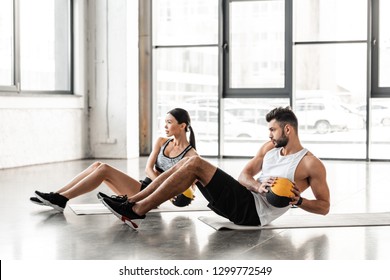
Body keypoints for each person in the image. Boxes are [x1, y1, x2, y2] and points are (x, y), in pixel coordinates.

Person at [101, 106, 330, 229]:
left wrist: (299, 201)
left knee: (196, 163)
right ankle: (131, 202)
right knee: (190, 162)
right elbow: (244, 175)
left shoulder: (310, 163)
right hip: (244, 199)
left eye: (273, 130)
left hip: (253, 214)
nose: (269, 134)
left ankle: (136, 209)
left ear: (287, 130)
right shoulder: (268, 148)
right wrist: (259, 186)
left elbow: (324, 206)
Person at [30, 108, 198, 212]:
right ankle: (57, 195)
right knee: (97, 165)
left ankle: (61, 199)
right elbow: (148, 170)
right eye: (165, 122)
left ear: (182, 126)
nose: (165, 126)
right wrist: (163, 184)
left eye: (169, 122)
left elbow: (192, 184)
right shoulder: (162, 141)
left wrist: (181, 194)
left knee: (104, 170)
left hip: (148, 197)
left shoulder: (191, 155)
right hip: (143, 186)